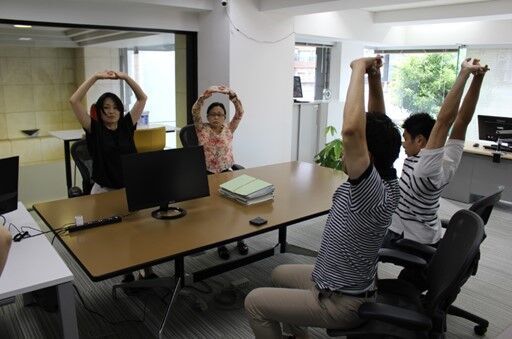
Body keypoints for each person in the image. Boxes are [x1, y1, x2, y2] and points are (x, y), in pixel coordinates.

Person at [244, 56, 402, 338]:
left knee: (255, 301)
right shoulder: (387, 179)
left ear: (368, 156)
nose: (344, 153)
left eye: (348, 150)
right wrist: (374, 78)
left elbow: (353, 131)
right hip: (335, 280)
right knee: (281, 274)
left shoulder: (369, 192)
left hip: (343, 302)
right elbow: (378, 124)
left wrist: (357, 69)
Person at [382, 58, 489, 249]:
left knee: (358, 236)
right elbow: (462, 121)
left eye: (406, 138)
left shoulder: (425, 169)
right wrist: (477, 80)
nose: (402, 143)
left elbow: (444, 121)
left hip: (405, 238)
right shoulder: (447, 162)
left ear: (421, 141)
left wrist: (464, 74)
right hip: (428, 234)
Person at [69, 70, 154, 284]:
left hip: (130, 189)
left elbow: (142, 98)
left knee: (140, 232)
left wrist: (125, 78)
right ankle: (126, 272)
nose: (111, 111)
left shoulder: (127, 125)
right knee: (116, 235)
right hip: (105, 191)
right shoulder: (94, 129)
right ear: (99, 111)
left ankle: (147, 269)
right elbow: (74, 100)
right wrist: (96, 78)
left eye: (115, 107)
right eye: (106, 108)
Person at [191, 85, 248, 260]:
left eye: (220, 114)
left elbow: (239, 113)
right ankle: (221, 244)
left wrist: (233, 96)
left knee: (235, 210)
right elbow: (195, 111)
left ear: (224, 117)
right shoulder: (201, 129)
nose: (216, 117)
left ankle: (240, 239)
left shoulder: (229, 129)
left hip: (227, 172)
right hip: (208, 175)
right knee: (216, 213)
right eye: (212, 114)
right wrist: (203, 97)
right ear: (207, 116)